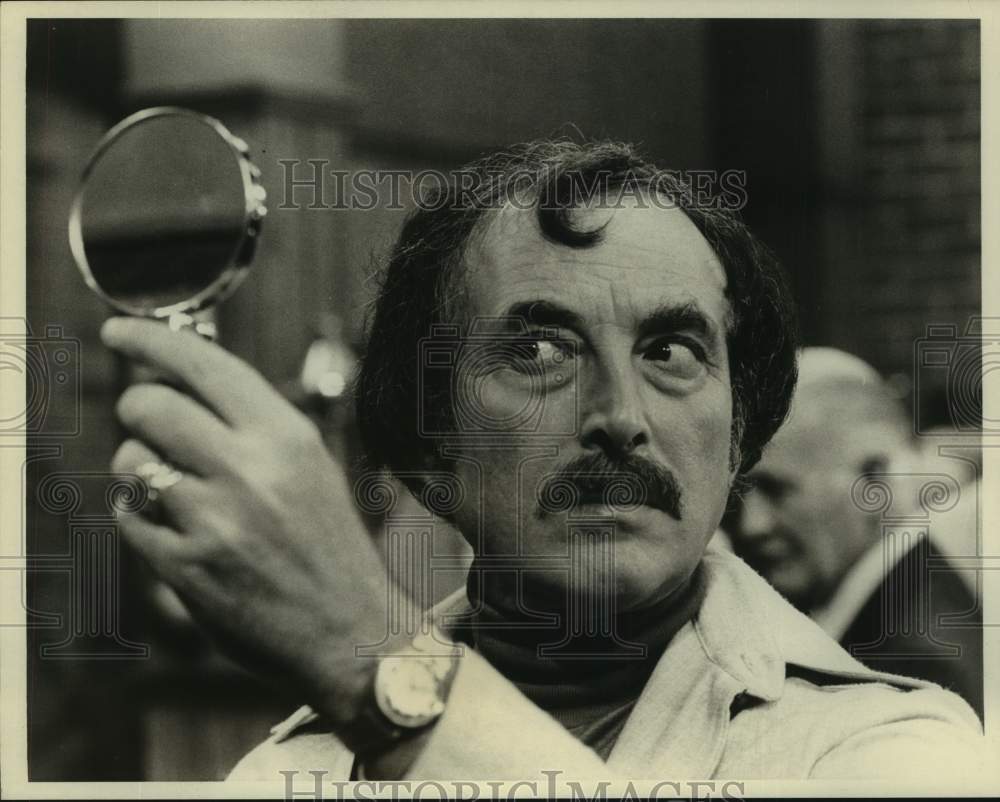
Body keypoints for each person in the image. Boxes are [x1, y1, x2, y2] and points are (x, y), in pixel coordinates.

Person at [102, 140, 985, 786]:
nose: (621, 419)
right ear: (427, 443)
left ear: (739, 433)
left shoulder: (893, 748)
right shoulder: (288, 774)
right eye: (539, 351)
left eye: (671, 351)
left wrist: (371, 661)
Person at [725, 347, 983, 719]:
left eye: (777, 489)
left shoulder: (910, 664)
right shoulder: (911, 621)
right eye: (740, 494)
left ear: (875, 481)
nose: (752, 525)